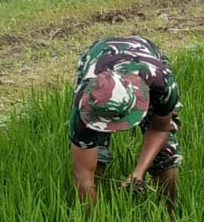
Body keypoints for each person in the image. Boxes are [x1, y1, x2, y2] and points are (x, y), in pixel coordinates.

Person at [69, 36, 181, 207]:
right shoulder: (84, 101)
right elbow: (82, 176)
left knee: (166, 157)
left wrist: (139, 172)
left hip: (143, 55)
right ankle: (92, 220)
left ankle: (170, 218)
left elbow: (159, 129)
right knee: (93, 153)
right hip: (99, 53)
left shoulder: (161, 81)